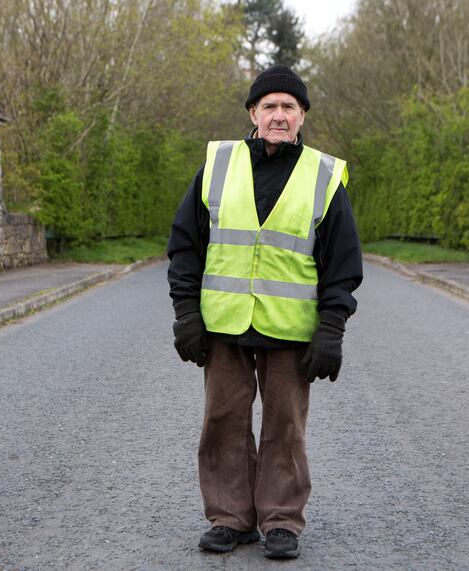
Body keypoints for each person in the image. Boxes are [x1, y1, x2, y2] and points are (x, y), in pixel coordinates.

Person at [167, 65, 362, 560]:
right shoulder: (217, 165)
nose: (279, 115)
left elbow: (341, 264)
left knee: (285, 427)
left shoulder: (323, 175)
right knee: (223, 420)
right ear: (253, 113)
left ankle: (281, 522)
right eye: (270, 106)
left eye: (289, 107)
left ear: (302, 117)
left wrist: (332, 329)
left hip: (290, 329)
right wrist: (186, 314)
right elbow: (186, 245)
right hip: (224, 323)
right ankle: (230, 518)